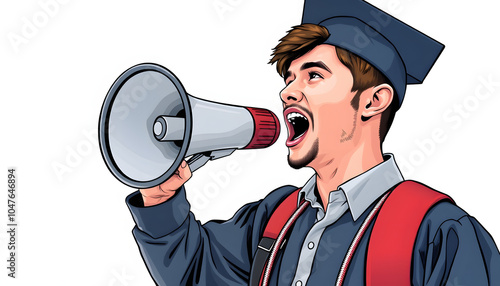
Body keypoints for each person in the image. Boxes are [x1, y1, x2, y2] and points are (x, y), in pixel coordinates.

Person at [125, 0, 500, 285]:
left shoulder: (438, 232)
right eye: (289, 78)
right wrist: (160, 200)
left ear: (373, 101)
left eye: (313, 75)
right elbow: (193, 273)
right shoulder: (274, 216)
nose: (288, 91)